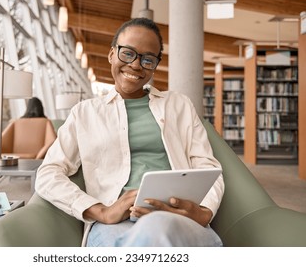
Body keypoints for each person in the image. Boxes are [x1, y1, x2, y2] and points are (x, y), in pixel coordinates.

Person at [35, 18, 224, 247]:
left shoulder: (179, 105)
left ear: (156, 64)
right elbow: (48, 174)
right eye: (128, 53)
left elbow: (208, 167)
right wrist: (101, 211)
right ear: (112, 54)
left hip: (178, 219)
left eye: (147, 59)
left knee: (160, 230)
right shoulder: (84, 114)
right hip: (115, 226)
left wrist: (204, 212)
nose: (136, 65)